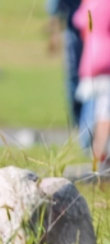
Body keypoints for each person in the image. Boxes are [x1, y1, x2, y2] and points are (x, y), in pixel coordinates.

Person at [74, 0, 110, 166]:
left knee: (97, 108)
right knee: (105, 110)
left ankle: (90, 148)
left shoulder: (90, 2)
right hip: (106, 58)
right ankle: (99, 151)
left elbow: (79, 21)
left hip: (91, 56)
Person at [47, 0, 83, 127]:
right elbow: (55, 5)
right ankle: (78, 122)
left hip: (94, 28)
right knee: (73, 76)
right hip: (73, 27)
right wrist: (54, 33)